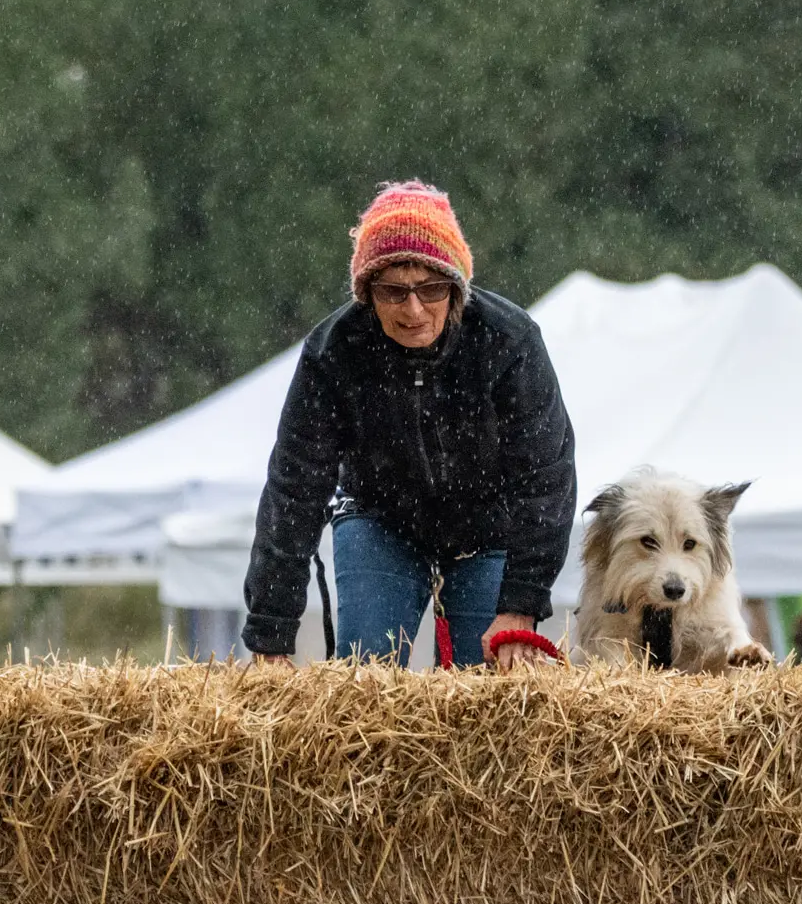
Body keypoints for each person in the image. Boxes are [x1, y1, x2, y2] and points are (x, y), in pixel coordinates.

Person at [242, 181, 576, 669]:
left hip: (488, 525)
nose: (414, 309)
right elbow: (295, 489)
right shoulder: (333, 353)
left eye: (431, 288)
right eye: (394, 291)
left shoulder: (509, 341)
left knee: (484, 686)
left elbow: (545, 476)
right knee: (367, 677)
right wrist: (271, 632)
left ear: (456, 288)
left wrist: (520, 606)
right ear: (367, 295)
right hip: (380, 518)